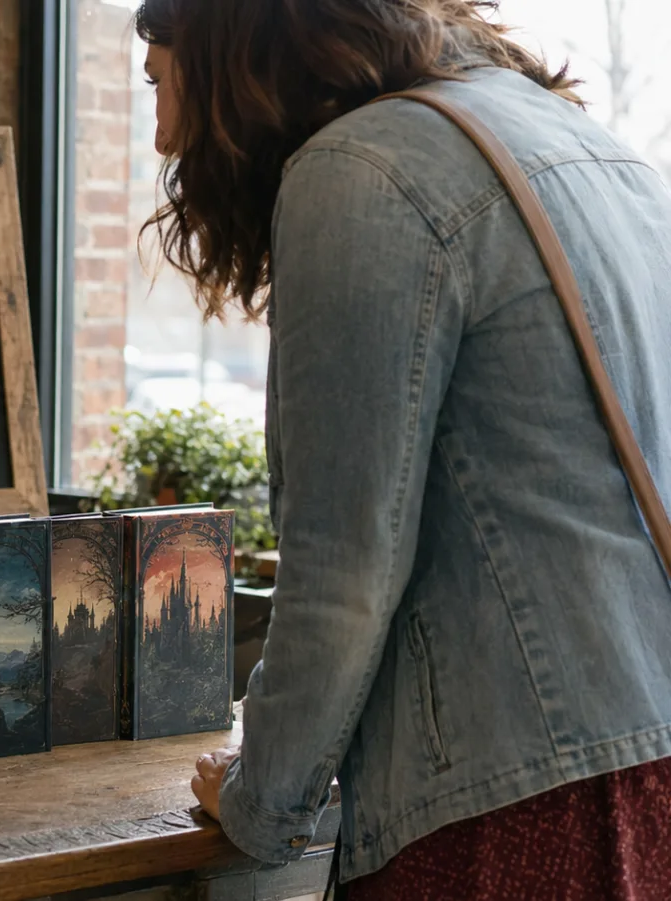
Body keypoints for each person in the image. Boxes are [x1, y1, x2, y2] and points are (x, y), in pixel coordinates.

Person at [134, 0, 671, 896]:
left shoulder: (362, 171)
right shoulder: (588, 144)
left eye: (158, 81)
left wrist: (259, 798)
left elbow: (344, 574)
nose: (159, 137)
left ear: (235, 51)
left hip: (516, 811)